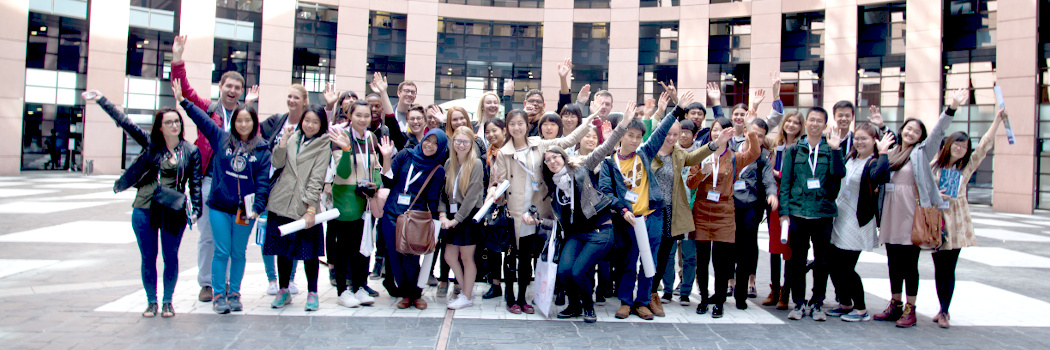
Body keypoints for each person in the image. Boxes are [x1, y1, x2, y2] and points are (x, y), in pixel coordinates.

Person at [84, 90, 202, 318]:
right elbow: (126, 123)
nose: (174, 126)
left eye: (177, 121)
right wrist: (102, 100)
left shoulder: (191, 151)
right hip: (144, 208)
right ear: (160, 127)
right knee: (148, 256)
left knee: (170, 256)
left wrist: (196, 210)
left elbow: (195, 183)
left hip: (172, 209)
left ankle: (167, 302)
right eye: (169, 122)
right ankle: (151, 302)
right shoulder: (151, 145)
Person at [171, 35, 258, 303]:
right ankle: (207, 283)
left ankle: (228, 282)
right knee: (209, 235)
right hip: (209, 180)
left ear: (241, 92)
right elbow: (185, 91)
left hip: (238, 186)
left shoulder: (246, 116)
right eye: (228, 85)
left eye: (237, 87)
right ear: (220, 87)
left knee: (232, 237)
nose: (232, 90)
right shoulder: (208, 110)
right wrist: (177, 59)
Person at [486, 104, 598, 314]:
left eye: (520, 123)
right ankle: (510, 298)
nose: (517, 128)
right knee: (510, 257)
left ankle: (523, 298)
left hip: (534, 211)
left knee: (526, 257)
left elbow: (566, 142)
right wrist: (493, 190)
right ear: (507, 127)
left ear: (527, 125)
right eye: (512, 124)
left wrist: (588, 122)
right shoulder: (504, 153)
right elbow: (500, 180)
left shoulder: (539, 144)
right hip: (514, 212)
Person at [173, 79, 270, 315]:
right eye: (239, 120)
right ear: (233, 122)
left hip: (245, 211)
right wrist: (183, 101)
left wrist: (257, 207)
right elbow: (202, 120)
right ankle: (218, 294)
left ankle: (234, 293)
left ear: (254, 123)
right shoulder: (221, 139)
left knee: (238, 252)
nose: (243, 124)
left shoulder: (261, 149)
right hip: (219, 207)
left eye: (248, 120)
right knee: (221, 250)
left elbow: (262, 182)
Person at [874, 88, 967, 328]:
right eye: (908, 128)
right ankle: (895, 304)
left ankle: (910, 308)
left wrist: (951, 108)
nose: (911, 133)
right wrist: (881, 126)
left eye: (916, 131)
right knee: (893, 262)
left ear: (921, 136)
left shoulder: (921, 152)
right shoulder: (892, 152)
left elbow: (938, 132)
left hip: (911, 215)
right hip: (890, 213)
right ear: (902, 130)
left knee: (909, 265)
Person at [599, 94, 680, 320]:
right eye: (630, 135)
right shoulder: (609, 163)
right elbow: (606, 192)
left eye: (638, 136)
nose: (634, 140)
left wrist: (677, 109)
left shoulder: (644, 154)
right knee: (628, 261)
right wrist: (623, 210)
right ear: (621, 135)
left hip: (651, 217)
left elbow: (660, 132)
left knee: (649, 261)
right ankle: (626, 302)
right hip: (629, 221)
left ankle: (642, 302)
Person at [928, 106, 1004, 328]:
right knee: (939, 267)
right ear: (948, 144)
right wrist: (935, 194)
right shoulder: (934, 166)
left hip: (956, 220)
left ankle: (944, 311)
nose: (960, 148)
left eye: (964, 146)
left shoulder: (965, 167)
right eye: (957, 144)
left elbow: (984, 146)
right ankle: (941, 307)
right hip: (937, 220)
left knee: (949, 267)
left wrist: (997, 121)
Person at [687, 114, 761, 317]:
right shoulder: (701, 154)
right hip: (702, 210)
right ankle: (703, 298)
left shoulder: (735, 157)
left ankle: (719, 300)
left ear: (730, 133)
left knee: (722, 261)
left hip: (724, 212)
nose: (718, 133)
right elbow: (690, 183)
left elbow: (755, 152)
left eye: (722, 130)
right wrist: (703, 172)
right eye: (715, 130)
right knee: (702, 260)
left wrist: (749, 127)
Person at [779, 107, 845, 321]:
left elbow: (839, 174)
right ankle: (798, 302)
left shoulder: (830, 148)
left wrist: (836, 150)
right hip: (798, 212)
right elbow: (786, 182)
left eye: (820, 121)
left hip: (823, 213)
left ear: (825, 125)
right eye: (812, 120)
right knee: (797, 261)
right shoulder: (794, 150)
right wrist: (784, 212)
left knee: (822, 261)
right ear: (806, 123)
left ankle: (817, 303)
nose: (815, 124)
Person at [650, 110, 721, 308]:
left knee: (672, 255)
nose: (674, 137)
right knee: (653, 254)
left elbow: (694, 157)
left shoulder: (680, 154)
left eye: (677, 133)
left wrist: (715, 144)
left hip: (675, 212)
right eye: (669, 133)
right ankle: (652, 292)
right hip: (652, 212)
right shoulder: (651, 151)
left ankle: (660, 293)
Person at [265, 104, 333, 311]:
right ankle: (283, 290)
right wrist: (283, 141)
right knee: (282, 250)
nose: (310, 125)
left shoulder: (324, 145)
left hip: (304, 205)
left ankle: (312, 292)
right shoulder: (293, 137)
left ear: (321, 124)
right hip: (282, 201)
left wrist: (311, 208)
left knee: (309, 253)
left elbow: (317, 178)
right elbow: (277, 162)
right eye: (307, 120)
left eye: (315, 122)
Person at [827, 122, 894, 322]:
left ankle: (861, 309)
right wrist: (836, 149)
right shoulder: (851, 157)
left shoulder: (874, 163)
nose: (859, 142)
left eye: (864, 138)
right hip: (840, 217)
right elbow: (836, 174)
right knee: (834, 265)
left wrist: (883, 153)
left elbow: (881, 176)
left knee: (846, 267)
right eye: (857, 138)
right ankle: (845, 303)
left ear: (874, 141)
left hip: (857, 221)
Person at [325, 100, 383, 308]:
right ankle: (343, 290)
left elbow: (375, 166)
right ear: (350, 115)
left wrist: (376, 184)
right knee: (344, 246)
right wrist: (346, 149)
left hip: (364, 198)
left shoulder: (370, 137)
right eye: (358, 115)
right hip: (345, 197)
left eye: (366, 115)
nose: (363, 119)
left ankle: (359, 287)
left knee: (362, 245)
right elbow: (342, 172)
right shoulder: (340, 135)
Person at [380, 129, 444, 310]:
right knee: (394, 256)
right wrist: (386, 158)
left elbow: (432, 199)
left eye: (435, 143)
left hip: (415, 218)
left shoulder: (437, 169)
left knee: (411, 256)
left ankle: (416, 294)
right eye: (428, 140)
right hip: (392, 214)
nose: (429, 145)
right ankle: (405, 294)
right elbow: (388, 180)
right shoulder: (405, 155)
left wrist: (434, 227)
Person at [258, 84, 311, 294]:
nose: (291, 101)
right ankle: (272, 279)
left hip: (296, 187)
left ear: (304, 101)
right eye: (289, 96)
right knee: (269, 233)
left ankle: (289, 279)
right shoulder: (277, 121)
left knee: (293, 232)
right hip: (273, 185)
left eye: (296, 97)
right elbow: (254, 134)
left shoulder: (308, 124)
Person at [729, 117, 778, 305]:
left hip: (751, 207)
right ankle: (728, 283)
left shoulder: (763, 156)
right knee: (729, 246)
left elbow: (769, 179)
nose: (756, 138)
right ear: (746, 132)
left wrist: (771, 194)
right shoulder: (732, 151)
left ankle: (741, 293)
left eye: (761, 136)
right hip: (730, 206)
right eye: (754, 133)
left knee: (746, 248)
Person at [440, 127, 486, 309]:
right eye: (458, 141)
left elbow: (472, 196)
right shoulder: (449, 163)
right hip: (451, 215)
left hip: (468, 216)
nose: (461, 145)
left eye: (465, 142)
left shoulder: (476, 164)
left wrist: (456, 219)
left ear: (471, 144)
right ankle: (467, 289)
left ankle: (466, 296)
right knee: (449, 255)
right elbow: (443, 193)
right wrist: (443, 214)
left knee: (467, 257)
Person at [763, 110, 803, 309]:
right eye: (789, 121)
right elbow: (758, 131)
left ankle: (785, 291)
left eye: (796, 122)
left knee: (788, 248)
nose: (791, 125)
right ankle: (774, 288)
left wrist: (779, 174)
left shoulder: (802, 147)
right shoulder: (775, 145)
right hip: (775, 199)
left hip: (793, 200)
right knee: (774, 247)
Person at [480, 118, 508, 300]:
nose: (491, 135)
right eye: (487, 132)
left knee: (511, 249)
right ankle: (495, 284)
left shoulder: (511, 151)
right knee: (493, 248)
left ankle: (511, 286)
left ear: (504, 130)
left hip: (510, 204)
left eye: (494, 130)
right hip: (493, 205)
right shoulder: (488, 155)